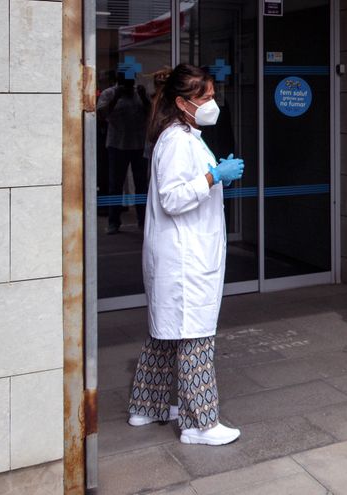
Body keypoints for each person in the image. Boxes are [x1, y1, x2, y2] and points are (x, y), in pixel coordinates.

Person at [126, 63, 245, 446]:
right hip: (184, 257)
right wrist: (214, 176)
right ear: (182, 102)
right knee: (194, 336)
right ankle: (200, 423)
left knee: (165, 332)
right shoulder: (177, 139)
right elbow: (174, 197)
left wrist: (212, 172)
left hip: (182, 251)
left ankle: (147, 406)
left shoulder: (183, 133)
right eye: (204, 97)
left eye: (212, 95)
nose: (213, 103)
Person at [97, 73, 151, 234]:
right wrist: (116, 97)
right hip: (117, 144)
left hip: (138, 144)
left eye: (130, 83)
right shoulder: (109, 93)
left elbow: (151, 113)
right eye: (124, 83)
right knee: (115, 185)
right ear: (118, 82)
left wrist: (143, 97)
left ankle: (143, 220)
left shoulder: (139, 93)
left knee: (141, 184)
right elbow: (101, 115)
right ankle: (114, 222)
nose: (128, 87)